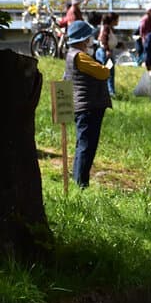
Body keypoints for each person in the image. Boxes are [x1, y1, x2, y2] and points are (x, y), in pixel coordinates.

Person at [63, 21, 112, 188]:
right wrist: (105, 66)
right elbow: (103, 72)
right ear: (83, 38)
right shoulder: (80, 56)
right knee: (86, 147)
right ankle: (81, 183)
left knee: (82, 145)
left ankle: (78, 181)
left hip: (83, 107)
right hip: (89, 107)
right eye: (88, 36)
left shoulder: (71, 54)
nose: (90, 40)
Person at [95, 12, 120, 97]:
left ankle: (109, 91)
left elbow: (110, 40)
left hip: (107, 51)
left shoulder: (109, 28)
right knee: (108, 72)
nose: (118, 21)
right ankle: (109, 92)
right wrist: (107, 49)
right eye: (117, 20)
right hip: (105, 52)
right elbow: (104, 39)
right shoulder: (106, 28)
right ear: (113, 20)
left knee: (108, 72)